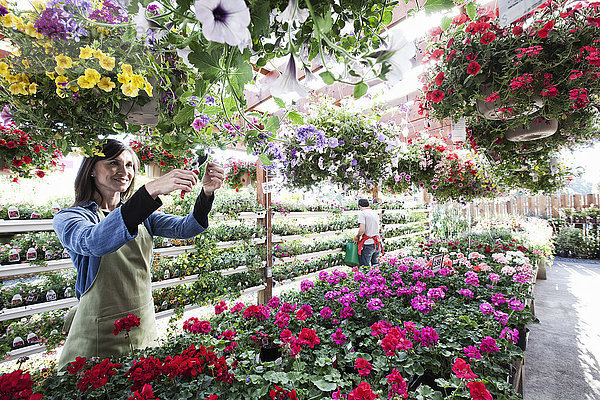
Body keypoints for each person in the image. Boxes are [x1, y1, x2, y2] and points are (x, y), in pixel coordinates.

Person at [53, 139, 224, 369]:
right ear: (91, 169)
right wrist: (150, 190)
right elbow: (93, 241)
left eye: (130, 165)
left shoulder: (144, 215)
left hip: (142, 321)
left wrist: (206, 194)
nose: (124, 171)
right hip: (98, 330)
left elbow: (186, 227)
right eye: (113, 163)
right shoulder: (70, 218)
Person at [354, 198, 383, 267]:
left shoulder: (362, 213)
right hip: (377, 243)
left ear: (360, 206)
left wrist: (357, 236)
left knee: (365, 268)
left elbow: (362, 230)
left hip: (368, 244)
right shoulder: (374, 213)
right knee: (375, 267)